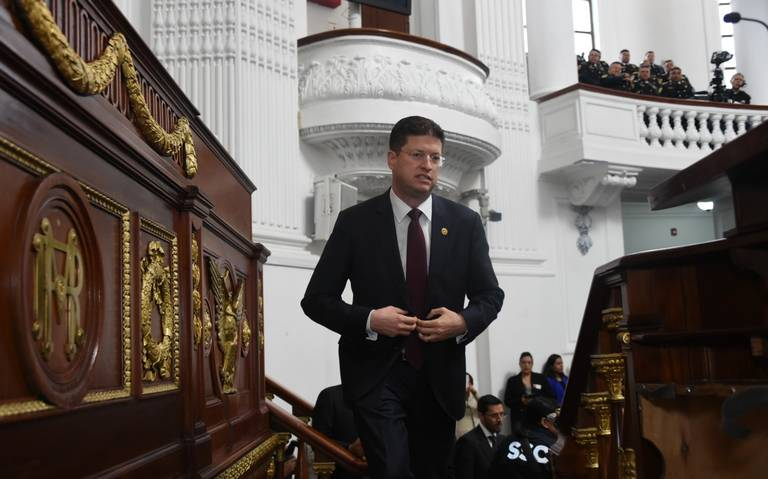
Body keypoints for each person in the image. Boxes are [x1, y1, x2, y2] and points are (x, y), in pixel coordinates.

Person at [301, 115, 504, 479]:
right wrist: (368, 320)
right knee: (392, 471)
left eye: (435, 158)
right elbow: (316, 299)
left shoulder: (464, 223)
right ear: (392, 158)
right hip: (378, 376)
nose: (428, 165)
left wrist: (462, 322)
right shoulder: (354, 223)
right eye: (417, 155)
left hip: (440, 379)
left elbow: (490, 295)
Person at [487, 397, 565, 479]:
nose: (560, 425)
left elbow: (492, 473)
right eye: (556, 421)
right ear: (545, 422)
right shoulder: (555, 449)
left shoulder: (505, 442)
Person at [312, 385, 365, 479]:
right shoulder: (330, 396)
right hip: (342, 473)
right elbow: (317, 441)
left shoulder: (386, 399)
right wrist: (349, 448)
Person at [453, 394, 505, 479]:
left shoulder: (503, 440)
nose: (500, 419)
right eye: (494, 415)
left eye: (501, 414)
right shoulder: (467, 443)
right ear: (481, 416)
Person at [504, 352, 554, 431]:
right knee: (521, 441)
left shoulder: (540, 378)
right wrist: (521, 401)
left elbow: (551, 397)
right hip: (520, 418)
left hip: (538, 416)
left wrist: (538, 400)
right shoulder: (512, 381)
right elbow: (507, 401)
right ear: (520, 364)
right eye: (523, 362)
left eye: (529, 362)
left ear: (532, 364)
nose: (526, 365)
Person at [456, 372, 480, 438]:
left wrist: (474, 392)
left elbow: (486, 405)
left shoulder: (475, 396)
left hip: (478, 430)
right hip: (463, 432)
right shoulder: (454, 397)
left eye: (468, 382)